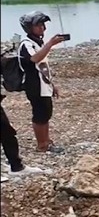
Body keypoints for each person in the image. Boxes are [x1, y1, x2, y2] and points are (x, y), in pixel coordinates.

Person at [18, 11, 69, 154]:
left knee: (46, 113)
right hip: (34, 85)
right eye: (38, 25)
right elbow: (34, 59)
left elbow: (43, 66)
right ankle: (42, 145)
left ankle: (46, 141)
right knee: (40, 114)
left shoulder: (37, 43)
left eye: (43, 25)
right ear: (29, 27)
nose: (42, 28)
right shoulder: (26, 44)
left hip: (43, 84)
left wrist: (53, 85)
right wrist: (50, 44)